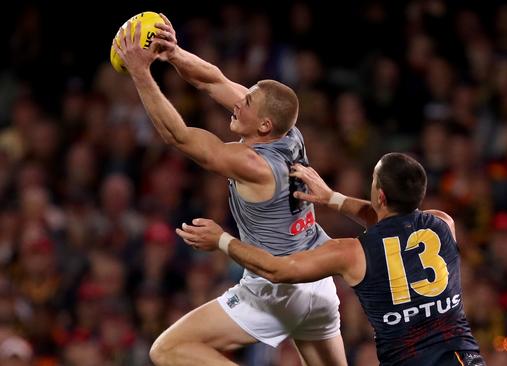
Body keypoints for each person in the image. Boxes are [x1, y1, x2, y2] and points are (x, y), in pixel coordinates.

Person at [112, 16, 346, 366]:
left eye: (247, 103)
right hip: (316, 277)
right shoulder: (288, 132)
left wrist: (141, 73)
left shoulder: (252, 163)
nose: (239, 101)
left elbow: (178, 136)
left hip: (276, 286)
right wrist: (173, 53)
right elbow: (214, 80)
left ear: (264, 125)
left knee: (166, 350)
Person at [178, 153, 485, 365]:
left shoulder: (352, 252)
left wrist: (222, 239)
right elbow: (394, 221)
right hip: (462, 358)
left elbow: (275, 269)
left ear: (379, 195)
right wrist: (333, 198)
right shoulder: (443, 223)